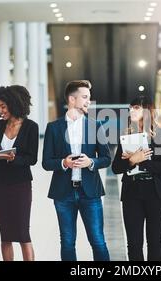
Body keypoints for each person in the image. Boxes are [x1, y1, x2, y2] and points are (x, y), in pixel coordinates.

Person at [42, 80, 111, 261]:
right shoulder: (53, 128)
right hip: (63, 194)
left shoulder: (96, 126)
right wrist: (64, 163)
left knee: (98, 241)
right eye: (85, 97)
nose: (89, 101)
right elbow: (46, 162)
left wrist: (90, 162)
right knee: (67, 242)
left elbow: (106, 159)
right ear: (72, 99)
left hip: (90, 193)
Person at [112, 95, 161, 261]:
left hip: (157, 194)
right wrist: (132, 160)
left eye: (136, 108)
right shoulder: (126, 136)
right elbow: (116, 167)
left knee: (154, 241)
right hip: (132, 194)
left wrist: (142, 161)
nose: (131, 110)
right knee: (134, 243)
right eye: (131, 107)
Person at [0, 85, 38, 261]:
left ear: (14, 104)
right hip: (0, 183)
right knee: (5, 234)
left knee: (23, 232)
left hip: (21, 184)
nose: (0, 111)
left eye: (3, 106)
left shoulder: (31, 127)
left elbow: (32, 159)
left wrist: (12, 158)